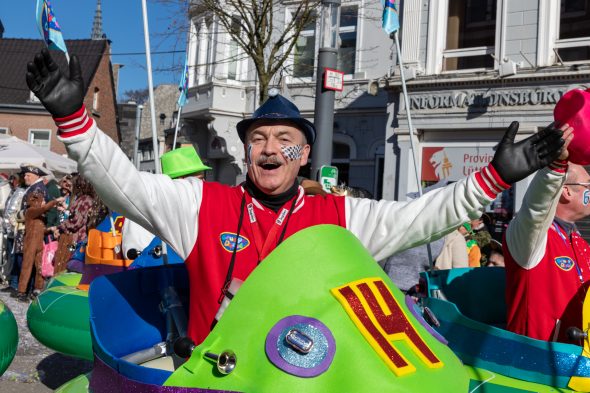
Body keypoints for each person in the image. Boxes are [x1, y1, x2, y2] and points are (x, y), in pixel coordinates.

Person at [26, 49, 566, 346]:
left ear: (303, 156)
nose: (269, 150)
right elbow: (124, 183)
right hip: (217, 378)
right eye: (258, 139)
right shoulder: (200, 205)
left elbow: (421, 218)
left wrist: (494, 177)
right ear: (245, 153)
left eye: (284, 141)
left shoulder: (341, 215)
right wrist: (76, 125)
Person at [503, 136, 590, 343]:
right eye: (588, 185)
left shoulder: (579, 241)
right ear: (566, 191)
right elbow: (536, 209)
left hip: (579, 360)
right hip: (534, 363)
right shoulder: (530, 237)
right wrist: (555, 167)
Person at [123, 146, 212, 259]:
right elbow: (137, 257)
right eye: (199, 180)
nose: (204, 184)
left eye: (204, 179)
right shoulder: (145, 210)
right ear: (181, 182)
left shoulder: (198, 208)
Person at [14, 191, 63, 301]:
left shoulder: (41, 216)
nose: (44, 202)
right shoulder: (31, 211)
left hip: (40, 244)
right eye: (42, 200)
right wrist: (55, 201)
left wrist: (50, 229)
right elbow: (44, 208)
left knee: (40, 267)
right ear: (36, 201)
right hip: (30, 243)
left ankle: (38, 289)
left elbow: (40, 229)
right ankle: (21, 291)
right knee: (27, 266)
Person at [1, 174, 26, 292]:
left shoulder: (20, 192)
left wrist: (10, 225)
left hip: (15, 229)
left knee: (15, 257)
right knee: (11, 257)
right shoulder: (15, 191)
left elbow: (13, 211)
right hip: (10, 229)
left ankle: (15, 284)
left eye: (14, 179)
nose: (11, 181)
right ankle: (12, 282)